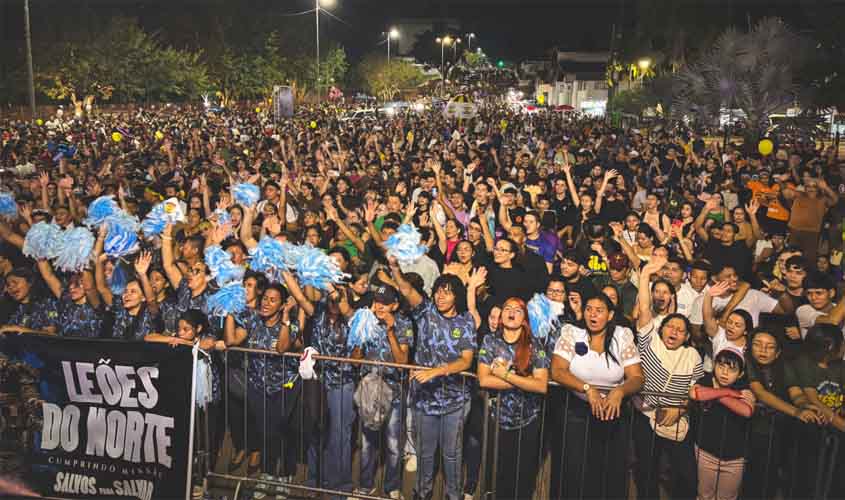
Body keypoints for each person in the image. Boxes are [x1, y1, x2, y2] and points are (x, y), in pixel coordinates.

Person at [388, 259, 476, 500]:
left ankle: (453, 495)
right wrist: (395, 269)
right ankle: (421, 494)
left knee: (451, 454)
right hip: (425, 400)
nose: (440, 297)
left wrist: (436, 371)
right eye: (438, 292)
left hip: (455, 401)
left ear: (456, 296)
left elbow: (466, 360)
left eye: (447, 293)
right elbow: (406, 290)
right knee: (425, 454)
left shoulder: (465, 321)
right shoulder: (426, 312)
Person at [550, 293, 644, 499]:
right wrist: (587, 389)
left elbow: (637, 377)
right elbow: (557, 371)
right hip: (576, 411)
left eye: (599, 310)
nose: (592, 314)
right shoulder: (571, 332)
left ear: (610, 315)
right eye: (589, 309)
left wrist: (619, 391)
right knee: (574, 471)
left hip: (613, 413)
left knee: (609, 472)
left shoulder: (622, 334)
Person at [477, 297, 549, 499]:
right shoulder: (490, 340)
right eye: (507, 308)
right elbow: (483, 380)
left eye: (517, 310)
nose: (511, 312)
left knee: (523, 478)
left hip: (528, 421)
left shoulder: (535, 345)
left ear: (524, 318)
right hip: (497, 420)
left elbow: (541, 385)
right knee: (497, 477)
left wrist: (504, 375)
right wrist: (525, 380)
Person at [633, 313, 703, 500]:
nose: (674, 332)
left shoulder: (692, 356)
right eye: (670, 327)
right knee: (647, 471)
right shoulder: (650, 345)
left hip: (677, 420)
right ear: (661, 329)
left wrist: (680, 409)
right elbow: (645, 311)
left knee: (687, 475)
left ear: (687, 336)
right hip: (645, 415)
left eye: (681, 330)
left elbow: (696, 390)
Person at [355, 285, 412, 500]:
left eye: (385, 302)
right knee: (368, 443)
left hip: (394, 392)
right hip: (369, 392)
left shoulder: (404, 324)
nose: (379, 305)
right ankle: (365, 485)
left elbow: (402, 361)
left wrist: (390, 331)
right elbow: (355, 357)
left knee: (393, 444)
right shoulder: (366, 320)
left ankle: (392, 487)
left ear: (395, 305)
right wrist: (360, 332)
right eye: (377, 301)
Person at [689, 346, 755, 500]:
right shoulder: (706, 380)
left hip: (735, 458)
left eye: (731, 369)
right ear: (714, 366)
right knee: (704, 496)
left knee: (727, 497)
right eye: (721, 366)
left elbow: (746, 410)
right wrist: (727, 392)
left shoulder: (744, 389)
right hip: (706, 452)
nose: (724, 373)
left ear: (740, 374)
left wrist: (714, 395)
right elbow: (695, 393)